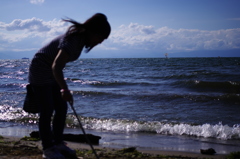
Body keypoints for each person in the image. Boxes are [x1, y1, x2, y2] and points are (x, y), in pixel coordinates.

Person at [28, 13, 111, 159]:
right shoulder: (73, 41)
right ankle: (48, 149)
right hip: (40, 69)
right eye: (100, 38)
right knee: (47, 111)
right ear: (92, 32)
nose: (100, 42)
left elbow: (56, 67)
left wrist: (62, 88)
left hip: (51, 71)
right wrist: (64, 89)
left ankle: (58, 143)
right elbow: (57, 66)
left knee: (61, 107)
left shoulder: (78, 40)